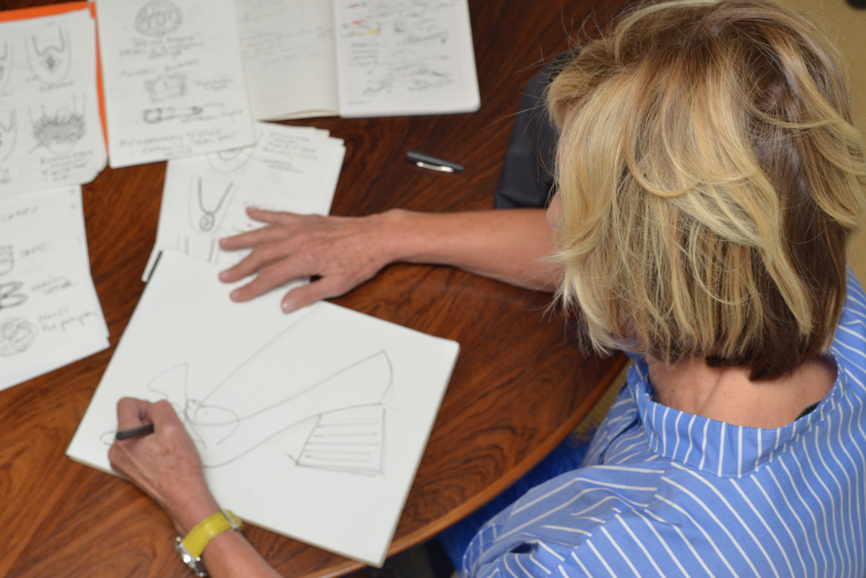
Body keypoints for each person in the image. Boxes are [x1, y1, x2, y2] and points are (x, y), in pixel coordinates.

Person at [108, 0, 866, 576]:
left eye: (569, 197)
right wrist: (386, 233)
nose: (550, 215)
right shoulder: (814, 291)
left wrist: (197, 510)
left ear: (642, 277)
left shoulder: (599, 560)